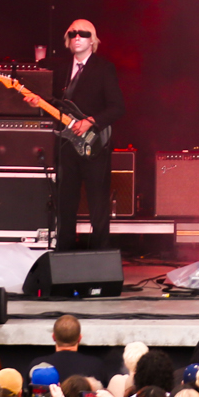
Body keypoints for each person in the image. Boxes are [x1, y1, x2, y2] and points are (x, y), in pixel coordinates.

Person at [53, 18, 126, 250]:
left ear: (92, 40)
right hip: (66, 146)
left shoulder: (104, 68)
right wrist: (35, 101)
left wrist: (90, 122)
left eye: (83, 33)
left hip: (95, 146)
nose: (77, 37)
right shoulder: (61, 69)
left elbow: (117, 107)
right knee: (65, 203)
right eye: (72, 33)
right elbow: (54, 104)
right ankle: (64, 253)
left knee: (98, 206)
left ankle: (100, 255)